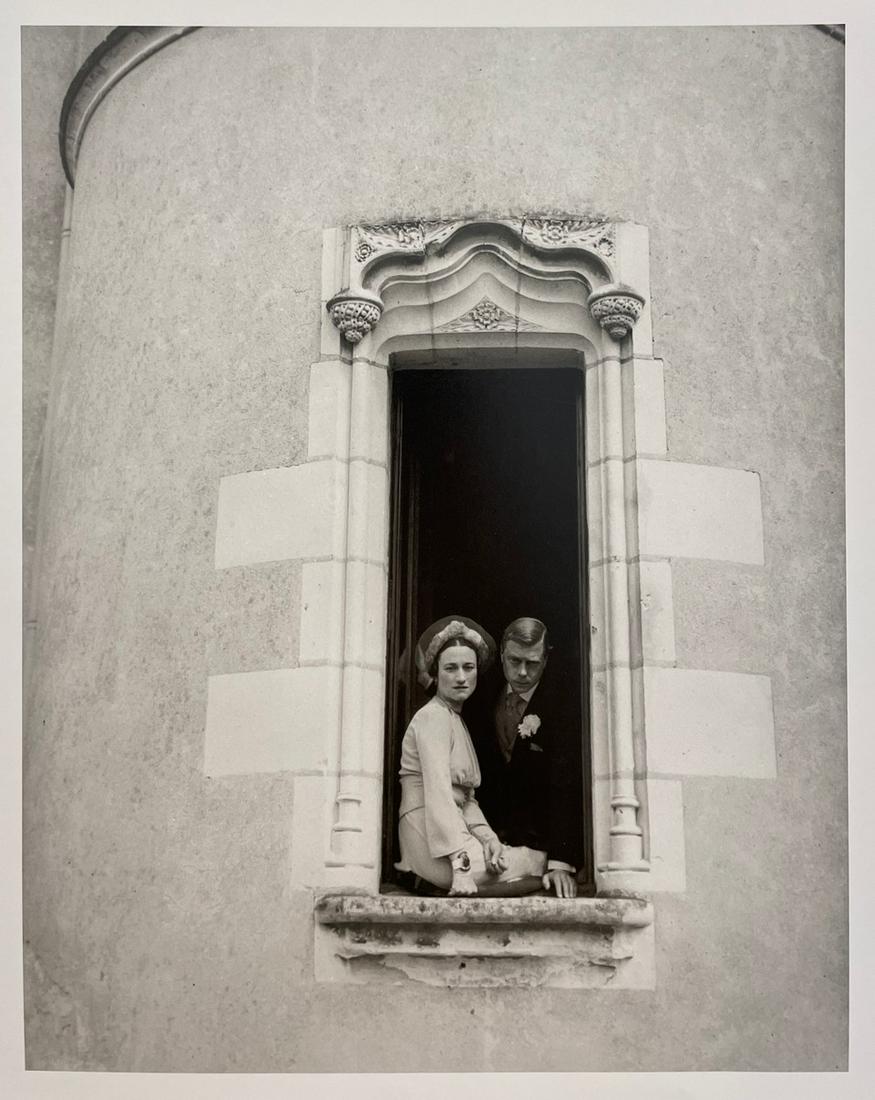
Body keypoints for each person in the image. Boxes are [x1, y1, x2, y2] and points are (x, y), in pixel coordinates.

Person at [396, 615, 547, 896]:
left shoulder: (455, 719)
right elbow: (440, 794)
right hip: (429, 839)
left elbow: (467, 800)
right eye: (450, 668)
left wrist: (489, 839)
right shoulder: (432, 718)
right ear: (436, 673)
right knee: (533, 861)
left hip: (452, 838)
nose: (461, 677)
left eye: (469, 667)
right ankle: (439, 878)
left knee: (515, 859)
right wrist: (461, 866)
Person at [470, 617, 584, 898]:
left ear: (545, 660)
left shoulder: (564, 705)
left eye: (532, 663)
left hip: (539, 852)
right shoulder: (481, 695)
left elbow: (566, 783)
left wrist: (560, 862)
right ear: (501, 656)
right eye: (514, 660)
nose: (522, 672)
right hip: (490, 847)